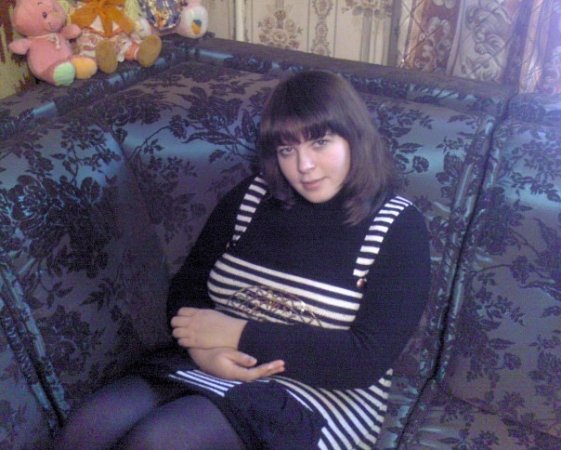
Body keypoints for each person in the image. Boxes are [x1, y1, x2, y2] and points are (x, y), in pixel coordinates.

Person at [54, 70, 430, 449]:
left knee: (157, 441)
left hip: (323, 393)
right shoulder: (251, 198)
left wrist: (235, 333)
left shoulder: (399, 227)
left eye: (320, 142)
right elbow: (188, 287)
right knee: (88, 429)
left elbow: (364, 359)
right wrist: (205, 351)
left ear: (355, 138)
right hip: (213, 362)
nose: (304, 165)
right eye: (287, 150)